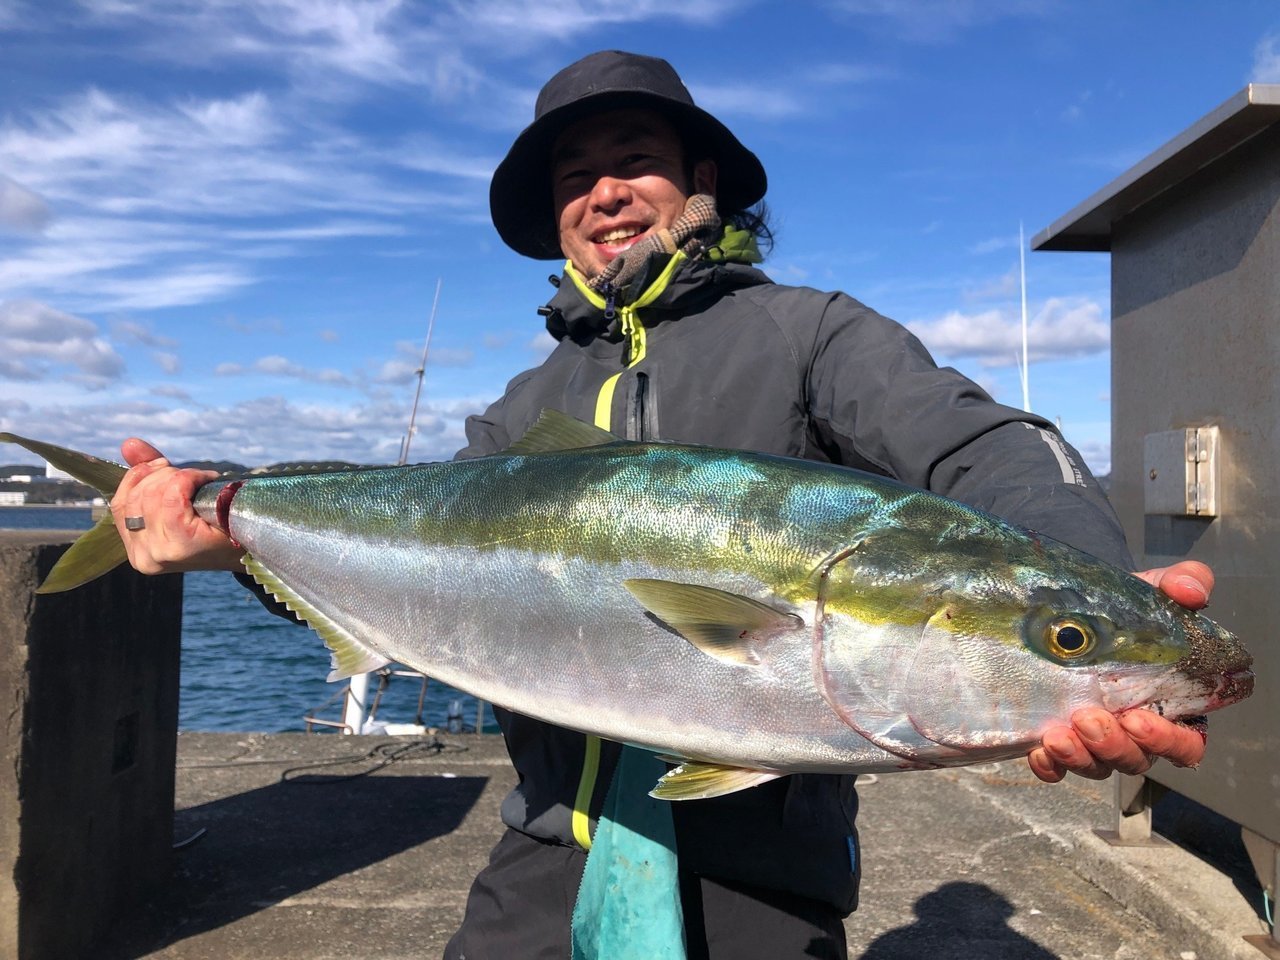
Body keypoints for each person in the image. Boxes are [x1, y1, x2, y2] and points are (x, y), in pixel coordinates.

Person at [111, 50, 1213, 960]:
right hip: (545, 851)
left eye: (631, 160)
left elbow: (987, 447)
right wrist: (225, 539)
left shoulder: (810, 334)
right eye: (573, 176)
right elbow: (403, 583)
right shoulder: (513, 414)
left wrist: (1085, 605)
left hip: (760, 877)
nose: (602, 192)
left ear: (701, 183)